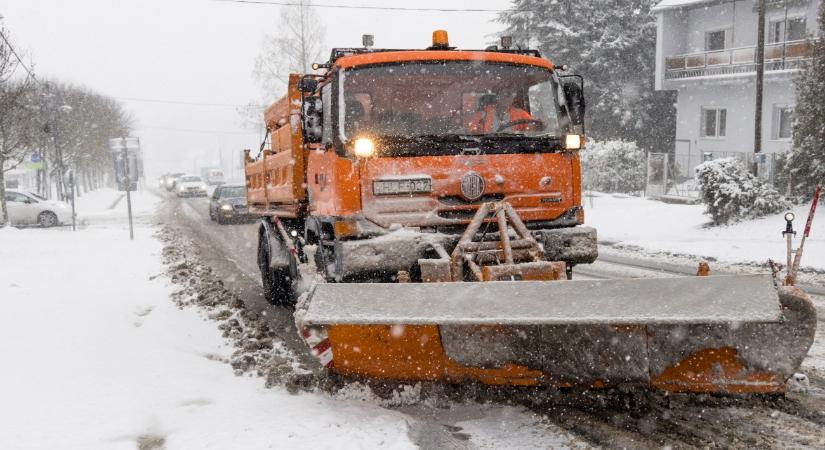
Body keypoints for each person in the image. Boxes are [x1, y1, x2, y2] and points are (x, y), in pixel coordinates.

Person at [467, 92, 534, 134]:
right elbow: (472, 133)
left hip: (516, 149)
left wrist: (539, 126)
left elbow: (533, 129)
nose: (506, 98)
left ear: (513, 98)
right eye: (504, 95)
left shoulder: (521, 114)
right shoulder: (482, 114)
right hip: (488, 148)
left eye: (510, 95)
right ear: (497, 97)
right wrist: (478, 130)